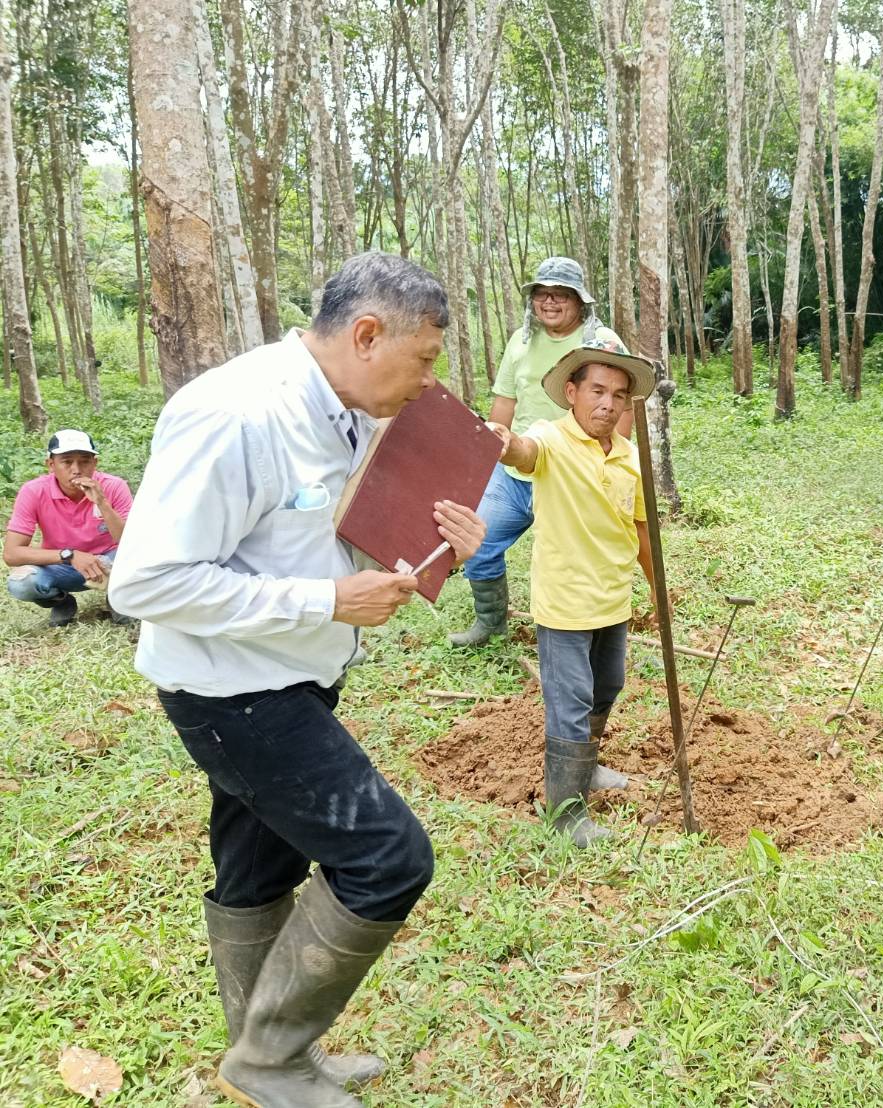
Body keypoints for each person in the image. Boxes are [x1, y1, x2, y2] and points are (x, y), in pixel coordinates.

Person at [109, 253, 487, 1108]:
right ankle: (271, 1059)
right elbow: (143, 583)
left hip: (292, 673)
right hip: (232, 693)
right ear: (365, 335)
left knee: (256, 873)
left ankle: (263, 1052)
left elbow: (323, 539)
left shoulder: (348, 409)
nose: (430, 382)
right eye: (425, 359)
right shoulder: (237, 414)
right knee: (390, 859)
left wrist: (439, 557)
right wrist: (323, 598)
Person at [489, 341, 657, 848]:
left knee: (608, 686)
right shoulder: (551, 439)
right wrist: (504, 441)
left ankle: (586, 767)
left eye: (619, 395)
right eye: (597, 390)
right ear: (571, 392)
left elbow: (642, 529)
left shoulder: (628, 456)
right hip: (564, 601)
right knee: (570, 702)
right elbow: (524, 451)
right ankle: (564, 813)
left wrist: (659, 593)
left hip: (613, 597)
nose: (607, 403)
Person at [451, 256, 628, 648]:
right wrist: (487, 456)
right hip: (515, 470)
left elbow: (624, 406)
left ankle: (592, 629)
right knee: (480, 542)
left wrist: (612, 459)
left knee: (580, 559)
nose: (549, 302)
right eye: (542, 294)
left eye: (560, 295)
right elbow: (504, 402)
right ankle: (490, 624)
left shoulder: (601, 342)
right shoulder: (521, 340)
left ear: (580, 301)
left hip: (573, 472)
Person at [4, 429, 133, 627]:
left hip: (109, 561)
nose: (76, 469)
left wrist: (102, 502)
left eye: (84, 461)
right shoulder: (34, 491)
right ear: (51, 465)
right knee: (21, 584)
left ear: (95, 463)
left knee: (145, 558)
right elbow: (12, 554)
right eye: (66, 462)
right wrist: (70, 555)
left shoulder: (114, 486)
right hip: (63, 564)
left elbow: (130, 542)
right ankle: (62, 602)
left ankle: (118, 599)